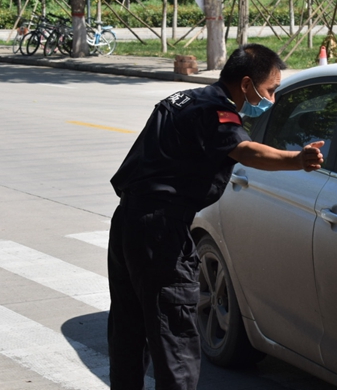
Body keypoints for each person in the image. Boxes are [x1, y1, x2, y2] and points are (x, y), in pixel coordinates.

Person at [107, 43, 324, 390]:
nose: (272, 99)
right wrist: (297, 160)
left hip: (128, 223)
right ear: (246, 84)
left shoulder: (184, 99)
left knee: (128, 327)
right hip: (161, 232)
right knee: (175, 335)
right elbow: (246, 151)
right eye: (270, 89)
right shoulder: (217, 111)